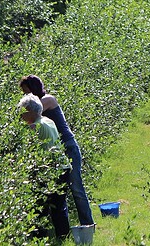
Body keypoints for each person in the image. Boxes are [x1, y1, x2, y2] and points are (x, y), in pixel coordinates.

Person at [19, 75, 94, 227]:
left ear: (33, 89)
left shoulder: (47, 100)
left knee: (76, 188)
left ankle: (88, 224)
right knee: (59, 190)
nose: (25, 96)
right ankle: (64, 229)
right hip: (56, 148)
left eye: (26, 92)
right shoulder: (38, 103)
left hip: (68, 146)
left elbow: (33, 109)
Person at [17, 94, 71, 238]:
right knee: (59, 206)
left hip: (51, 169)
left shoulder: (35, 126)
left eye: (24, 111)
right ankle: (63, 236)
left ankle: (39, 237)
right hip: (63, 167)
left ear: (31, 111)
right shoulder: (48, 120)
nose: (21, 115)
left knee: (39, 207)